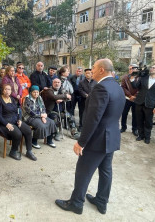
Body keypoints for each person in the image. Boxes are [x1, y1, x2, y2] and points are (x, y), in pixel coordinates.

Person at [55, 59, 125, 215]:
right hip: (111, 136)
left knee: (83, 171)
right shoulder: (117, 87)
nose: (91, 70)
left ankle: (76, 203)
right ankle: (101, 201)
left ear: (101, 70)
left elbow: (93, 118)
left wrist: (81, 142)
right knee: (106, 171)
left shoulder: (101, 88)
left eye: (93, 67)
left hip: (98, 139)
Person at [0, 84, 37, 161]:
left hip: (15, 120)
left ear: (11, 91)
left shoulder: (13, 99)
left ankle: (29, 151)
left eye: (9, 89)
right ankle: (13, 151)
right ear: (2, 91)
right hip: (3, 123)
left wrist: (20, 119)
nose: (7, 91)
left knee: (28, 130)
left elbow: (19, 110)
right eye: (5, 89)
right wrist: (6, 124)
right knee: (18, 134)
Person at [130, 65, 155, 144]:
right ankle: (141, 135)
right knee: (139, 120)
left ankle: (147, 137)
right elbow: (135, 87)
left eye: (154, 68)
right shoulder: (143, 78)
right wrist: (132, 79)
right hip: (139, 102)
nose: (152, 69)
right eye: (151, 67)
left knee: (148, 122)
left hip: (150, 104)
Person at [120, 64, 139, 136]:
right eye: (130, 69)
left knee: (135, 115)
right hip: (127, 98)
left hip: (136, 99)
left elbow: (141, 88)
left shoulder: (140, 78)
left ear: (136, 69)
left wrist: (135, 96)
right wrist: (130, 95)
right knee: (124, 113)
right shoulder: (125, 77)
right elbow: (123, 87)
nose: (131, 70)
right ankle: (123, 127)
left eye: (132, 69)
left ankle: (134, 129)